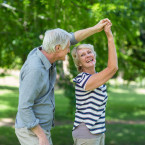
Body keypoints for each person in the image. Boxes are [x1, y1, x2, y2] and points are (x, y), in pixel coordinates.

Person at [15, 18, 111, 145]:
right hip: (31, 130)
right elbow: (24, 107)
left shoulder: (46, 51)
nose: (69, 49)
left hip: (41, 128)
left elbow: (73, 37)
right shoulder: (35, 70)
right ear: (58, 48)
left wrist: (95, 28)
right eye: (67, 47)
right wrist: (41, 136)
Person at [71, 21, 118, 145]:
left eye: (89, 52)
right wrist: (109, 36)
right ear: (79, 63)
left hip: (98, 132)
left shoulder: (97, 78)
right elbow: (112, 68)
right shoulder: (81, 79)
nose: (87, 55)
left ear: (94, 56)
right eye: (82, 55)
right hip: (86, 134)